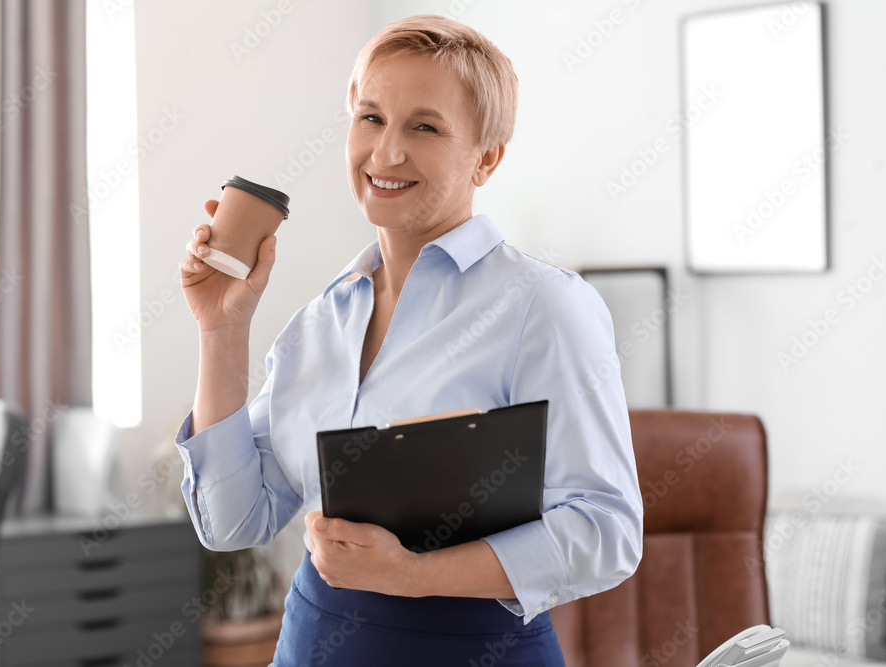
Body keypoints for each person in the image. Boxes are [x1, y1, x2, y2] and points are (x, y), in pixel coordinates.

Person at [175, 14, 642, 666]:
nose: (385, 152)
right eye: (370, 118)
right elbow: (231, 522)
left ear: (486, 157)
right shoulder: (320, 323)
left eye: (423, 126)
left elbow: (607, 531)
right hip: (314, 643)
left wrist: (415, 572)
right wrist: (221, 329)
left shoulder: (544, 306)